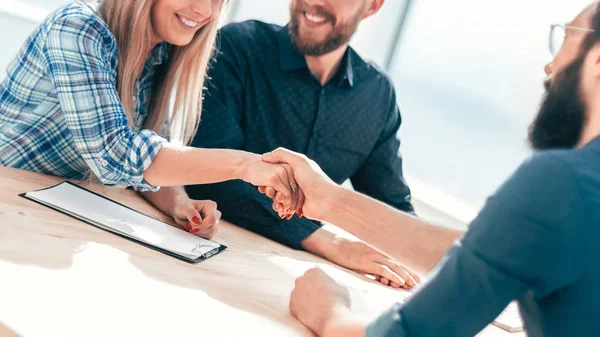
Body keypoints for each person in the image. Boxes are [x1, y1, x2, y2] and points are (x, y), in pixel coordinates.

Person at [260, 2, 600, 336]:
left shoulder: (562, 183)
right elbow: (487, 252)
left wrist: (327, 311)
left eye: (564, 40)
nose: (549, 67)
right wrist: (331, 202)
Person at [0, 0, 301, 239]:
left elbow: (143, 166)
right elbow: (116, 155)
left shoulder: (161, 54)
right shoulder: (77, 27)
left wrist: (179, 204)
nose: (205, 10)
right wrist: (245, 166)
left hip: (44, 212)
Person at [185, 0, 417, 288]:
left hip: (300, 281)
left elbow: (391, 205)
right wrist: (329, 242)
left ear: (372, 6)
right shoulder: (237, 47)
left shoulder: (377, 95)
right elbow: (209, 172)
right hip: (207, 258)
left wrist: (417, 263)